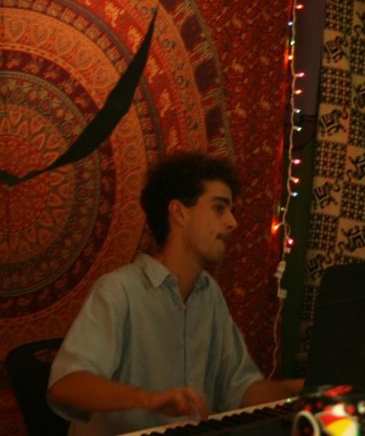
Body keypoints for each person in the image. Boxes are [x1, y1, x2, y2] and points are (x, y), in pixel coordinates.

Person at [48, 151, 305, 436]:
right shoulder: (118, 291)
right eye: (219, 208)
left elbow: (241, 389)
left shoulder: (210, 297)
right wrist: (150, 399)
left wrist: (296, 391)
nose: (232, 222)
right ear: (179, 212)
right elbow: (66, 386)